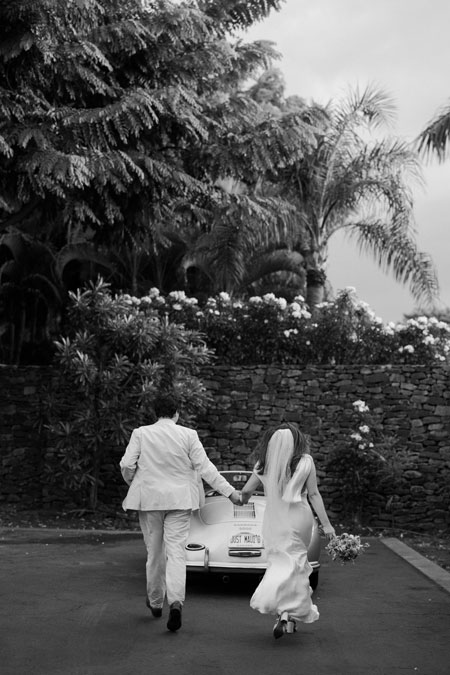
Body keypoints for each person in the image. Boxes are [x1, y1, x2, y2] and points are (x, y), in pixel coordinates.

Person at [119, 393, 241, 632]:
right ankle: (175, 601)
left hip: (150, 500)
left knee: (154, 552)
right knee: (176, 553)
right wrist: (231, 493)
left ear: (156, 414)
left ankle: (155, 602)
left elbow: (126, 465)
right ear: (177, 413)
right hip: (180, 500)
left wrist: (135, 482)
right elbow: (205, 467)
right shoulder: (188, 434)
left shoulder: (141, 433)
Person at [241, 422, 335, 639]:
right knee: (297, 562)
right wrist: (327, 525)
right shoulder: (305, 461)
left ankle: (282, 612)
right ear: (297, 441)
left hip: (276, 519)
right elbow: (313, 495)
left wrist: (241, 499)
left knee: (281, 562)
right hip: (300, 517)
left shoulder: (263, 465)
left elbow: (246, 491)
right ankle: (287, 616)